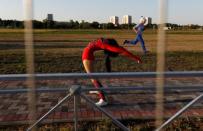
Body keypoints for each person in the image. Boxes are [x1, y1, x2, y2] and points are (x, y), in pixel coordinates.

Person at [82, 38, 142, 106]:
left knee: (93, 78)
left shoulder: (104, 41)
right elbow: (120, 49)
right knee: (93, 77)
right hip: (88, 55)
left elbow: (121, 50)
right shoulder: (105, 43)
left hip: (87, 56)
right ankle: (98, 90)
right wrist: (136, 58)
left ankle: (103, 100)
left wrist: (136, 58)